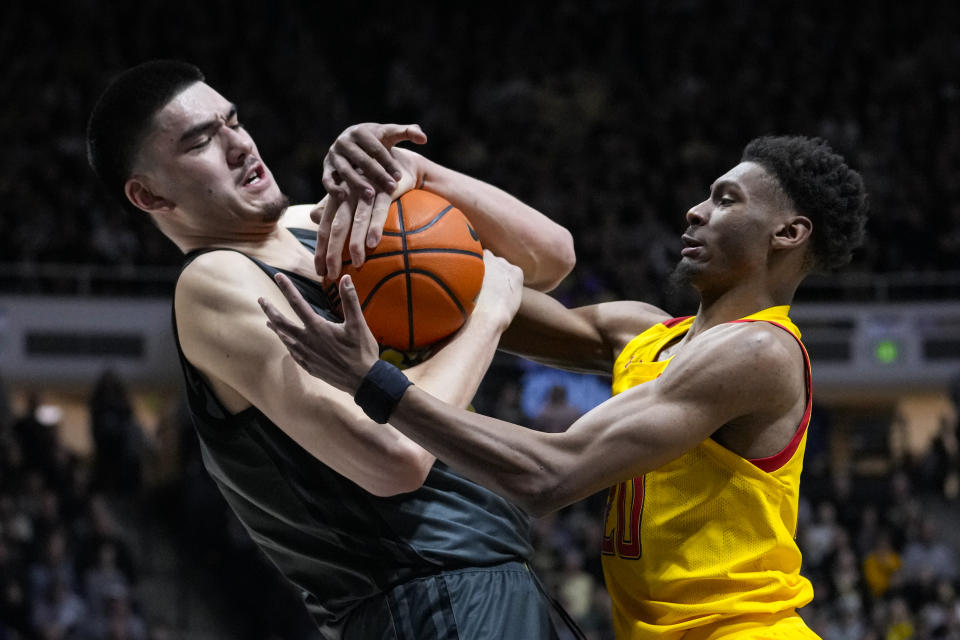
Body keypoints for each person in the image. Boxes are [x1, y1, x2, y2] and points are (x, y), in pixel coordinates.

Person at [262, 134, 869, 638]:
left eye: (726, 200)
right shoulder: (648, 333)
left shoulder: (761, 351)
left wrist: (374, 383)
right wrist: (408, 177)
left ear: (787, 235)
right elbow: (467, 288)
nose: (696, 211)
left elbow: (549, 475)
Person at [86, 60, 578, 639]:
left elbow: (551, 260)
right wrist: (487, 316)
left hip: (495, 576)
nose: (241, 146)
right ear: (149, 195)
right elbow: (393, 458)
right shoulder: (215, 281)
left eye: (233, 122)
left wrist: (419, 173)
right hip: (427, 598)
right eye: (201, 142)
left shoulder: (317, 224)